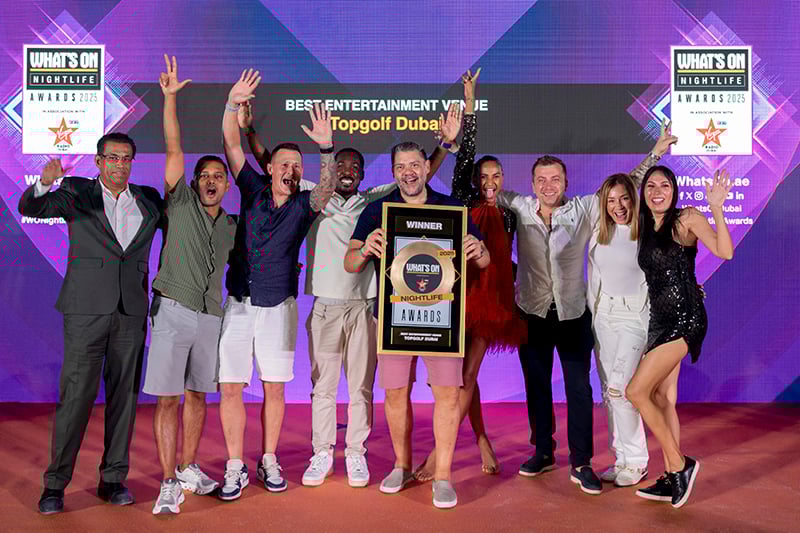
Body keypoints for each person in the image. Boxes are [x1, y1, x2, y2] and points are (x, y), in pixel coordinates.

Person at [497, 128, 675, 494]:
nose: (548, 186)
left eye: (555, 179)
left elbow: (624, 187)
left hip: (573, 314)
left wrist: (655, 153)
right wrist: (454, 145)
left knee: (579, 389)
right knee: (537, 387)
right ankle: (543, 451)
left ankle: (581, 462)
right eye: (541, 180)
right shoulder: (517, 206)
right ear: (532, 184)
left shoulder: (583, 209)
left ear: (566, 182)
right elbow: (482, 187)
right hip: (531, 313)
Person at [20, 132, 163, 514]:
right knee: (76, 398)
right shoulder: (77, 192)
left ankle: (113, 478)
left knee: (124, 399)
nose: (120, 165)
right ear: (99, 162)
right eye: (112, 158)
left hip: (130, 313)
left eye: (126, 158)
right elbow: (32, 206)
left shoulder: (149, 200)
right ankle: (55, 485)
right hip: (85, 311)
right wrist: (44, 182)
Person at [344, 141, 490, 509]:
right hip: (394, 317)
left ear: (426, 168)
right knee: (395, 393)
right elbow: (350, 262)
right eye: (400, 167)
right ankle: (401, 466)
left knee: (448, 395)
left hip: (443, 318)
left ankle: (443, 476)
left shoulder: (452, 209)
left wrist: (479, 251)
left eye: (414, 165)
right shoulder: (378, 210)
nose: (408, 172)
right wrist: (365, 249)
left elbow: (484, 259)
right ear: (393, 172)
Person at [217, 69, 336, 501]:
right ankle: (235, 465)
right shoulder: (251, 187)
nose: (290, 170)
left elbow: (327, 188)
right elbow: (232, 144)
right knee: (231, 386)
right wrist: (232, 102)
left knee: (274, 386)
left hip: (279, 306)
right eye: (283, 164)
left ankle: (268, 458)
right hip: (238, 302)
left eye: (297, 166)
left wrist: (326, 147)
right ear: (268, 168)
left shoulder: (305, 203)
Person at [415, 69, 526, 482]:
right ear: (475, 180)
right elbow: (467, 152)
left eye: (497, 176)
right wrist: (470, 102)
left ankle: (436, 456)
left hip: (492, 303)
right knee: (460, 380)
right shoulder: (463, 200)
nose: (490, 182)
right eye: (484, 176)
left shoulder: (512, 214)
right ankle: (480, 437)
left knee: (467, 376)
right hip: (458, 296)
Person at [142, 56, 237, 514]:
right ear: (194, 182)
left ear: (227, 186)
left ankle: (188, 468)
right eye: (205, 176)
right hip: (173, 310)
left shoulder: (232, 226)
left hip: (211, 316)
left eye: (219, 177)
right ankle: (167, 483)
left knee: (198, 395)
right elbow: (174, 146)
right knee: (168, 399)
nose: (212, 181)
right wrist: (170, 99)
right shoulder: (178, 202)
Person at [627, 166, 733, 508]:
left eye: (665, 185)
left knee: (636, 392)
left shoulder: (686, 219)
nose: (657, 191)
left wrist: (716, 208)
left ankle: (679, 464)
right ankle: (672, 476)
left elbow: (724, 251)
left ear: (674, 191)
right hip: (659, 321)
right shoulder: (646, 225)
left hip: (684, 319)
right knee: (661, 397)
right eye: (651, 185)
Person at [588, 173, 650, 488]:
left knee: (620, 389)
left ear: (633, 198)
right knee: (608, 392)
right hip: (604, 316)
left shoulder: (647, 232)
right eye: (611, 200)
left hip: (634, 317)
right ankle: (622, 458)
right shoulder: (599, 232)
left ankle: (637, 461)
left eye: (624, 198)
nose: (618, 206)